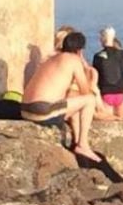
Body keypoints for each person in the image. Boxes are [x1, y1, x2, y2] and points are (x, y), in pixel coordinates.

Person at [22, 32, 101, 162]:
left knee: (74, 103)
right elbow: (85, 91)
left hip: (25, 110)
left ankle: (76, 140)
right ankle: (83, 144)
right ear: (80, 50)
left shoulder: (51, 59)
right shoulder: (73, 60)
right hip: (43, 110)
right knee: (90, 100)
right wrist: (87, 70)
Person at [92, 27, 123, 120]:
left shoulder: (98, 56)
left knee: (108, 123)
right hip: (120, 91)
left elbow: (95, 75)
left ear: (102, 39)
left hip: (106, 92)